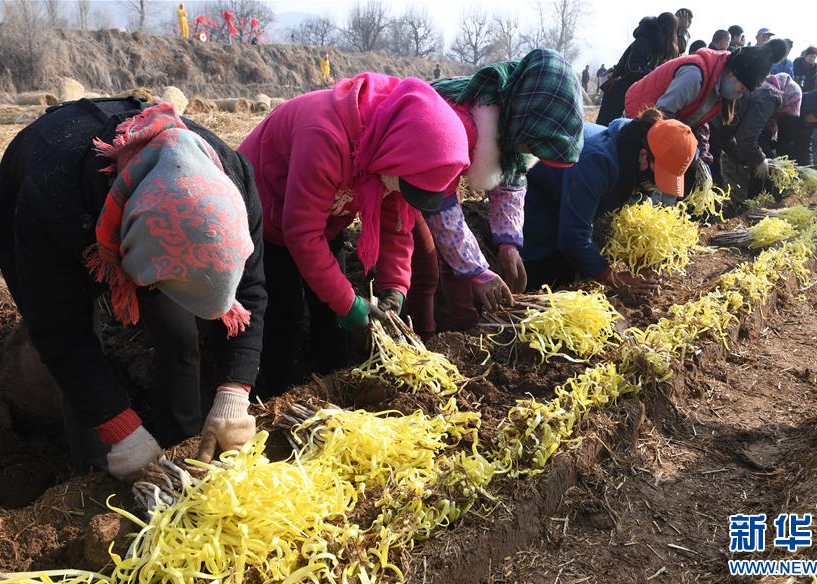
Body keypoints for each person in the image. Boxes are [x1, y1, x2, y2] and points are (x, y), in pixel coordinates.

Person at [0, 98, 266, 480]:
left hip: (141, 218)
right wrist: (120, 431)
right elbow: (60, 331)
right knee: (81, 340)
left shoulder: (235, 178)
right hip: (49, 209)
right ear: (132, 258)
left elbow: (249, 293)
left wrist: (234, 393)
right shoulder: (50, 197)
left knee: (180, 335)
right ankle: (98, 466)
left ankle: (179, 440)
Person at [238, 74, 470, 394]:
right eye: (404, 185)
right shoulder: (326, 136)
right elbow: (302, 232)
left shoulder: (396, 154)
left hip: (326, 216)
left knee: (329, 310)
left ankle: (334, 382)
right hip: (264, 216)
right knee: (286, 312)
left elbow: (396, 224)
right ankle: (277, 393)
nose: (401, 192)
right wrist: (349, 303)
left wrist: (395, 288)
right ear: (396, 157)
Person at [405, 49, 585, 333]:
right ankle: (427, 336)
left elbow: (510, 179)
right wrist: (477, 271)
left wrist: (508, 243)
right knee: (426, 266)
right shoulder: (462, 122)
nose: (533, 152)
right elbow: (440, 207)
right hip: (404, 176)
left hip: (439, 178)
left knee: (456, 260)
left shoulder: (509, 118)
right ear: (527, 117)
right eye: (535, 144)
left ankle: (464, 326)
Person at [521, 110, 697, 297]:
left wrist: (642, 260)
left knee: (574, 267)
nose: (655, 184)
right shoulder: (597, 161)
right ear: (644, 156)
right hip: (537, 188)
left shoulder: (633, 147)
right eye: (658, 175)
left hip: (571, 191)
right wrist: (614, 278)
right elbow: (573, 237)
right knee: (543, 271)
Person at [625, 40, 790, 158]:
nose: (740, 95)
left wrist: (702, 154)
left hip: (660, 129)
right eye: (742, 88)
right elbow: (661, 114)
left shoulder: (719, 86)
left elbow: (698, 119)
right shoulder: (695, 75)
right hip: (639, 120)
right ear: (733, 74)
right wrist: (686, 149)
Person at [718, 73, 803, 198]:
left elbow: (733, 134)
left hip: (718, 127)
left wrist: (741, 157)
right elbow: (747, 137)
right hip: (716, 126)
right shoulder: (771, 97)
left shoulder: (766, 89)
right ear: (789, 98)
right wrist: (760, 159)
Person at [596, 12, 679, 126]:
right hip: (619, 92)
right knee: (606, 129)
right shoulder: (645, 40)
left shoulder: (659, 46)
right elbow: (632, 69)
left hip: (633, 94)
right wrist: (655, 76)